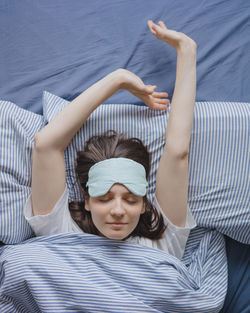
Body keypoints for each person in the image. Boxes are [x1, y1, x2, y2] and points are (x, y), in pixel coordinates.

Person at [24, 20, 197, 260]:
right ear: (86, 201)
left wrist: (187, 50)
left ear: (144, 204)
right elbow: (45, 144)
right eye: (104, 199)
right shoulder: (60, 233)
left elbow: (178, 151)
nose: (118, 211)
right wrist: (118, 79)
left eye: (130, 199)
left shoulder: (163, 245)